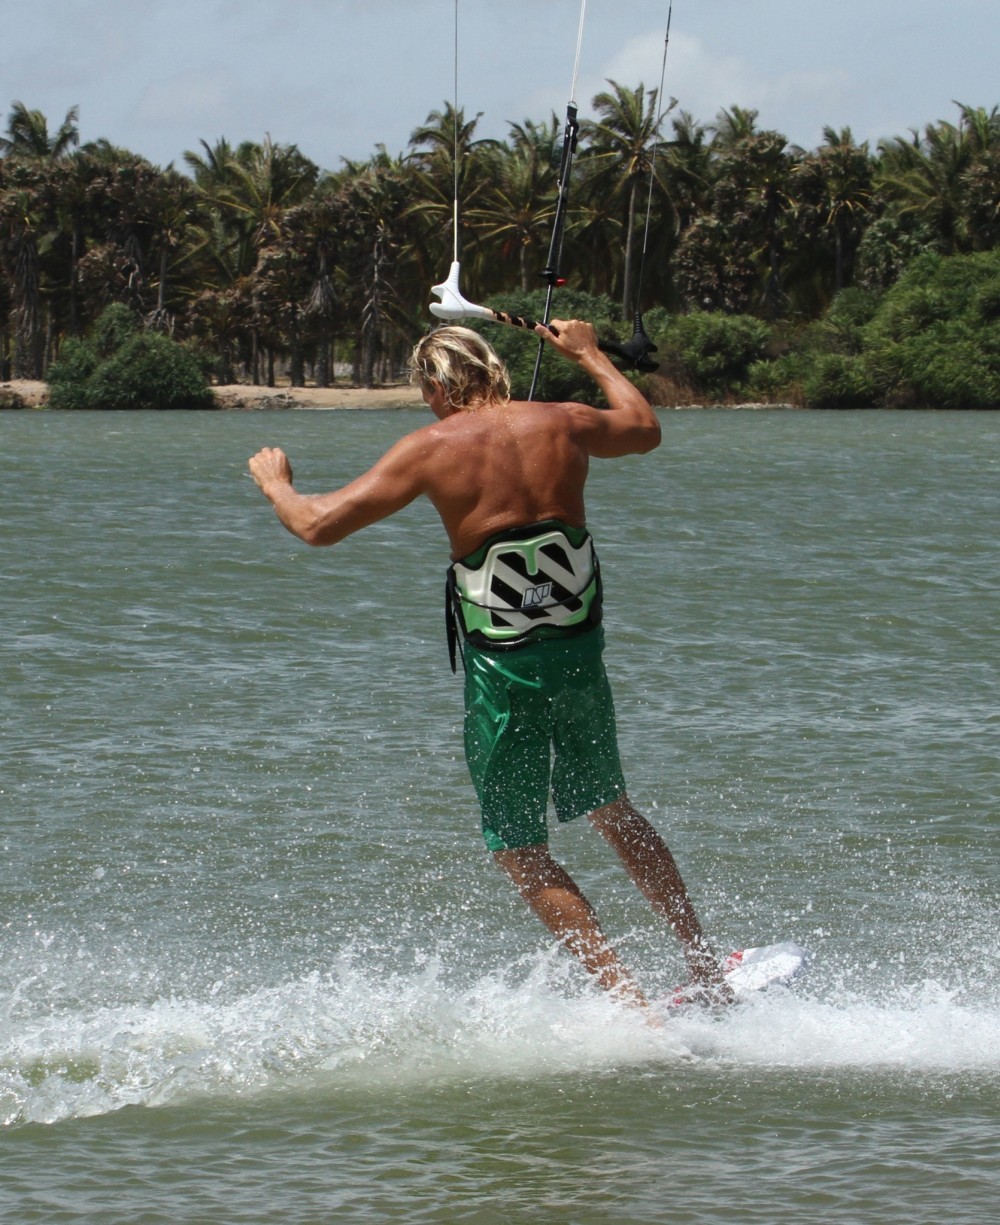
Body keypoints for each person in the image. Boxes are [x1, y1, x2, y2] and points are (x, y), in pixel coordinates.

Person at [248, 319, 730, 1009]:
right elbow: (644, 428)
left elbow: (318, 525)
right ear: (493, 368)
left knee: (520, 846)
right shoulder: (564, 421)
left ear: (437, 385)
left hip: (503, 671)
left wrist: (278, 486)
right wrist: (590, 355)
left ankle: (634, 1007)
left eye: (425, 391)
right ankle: (706, 972)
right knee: (612, 809)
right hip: (578, 651)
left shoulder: (430, 448)